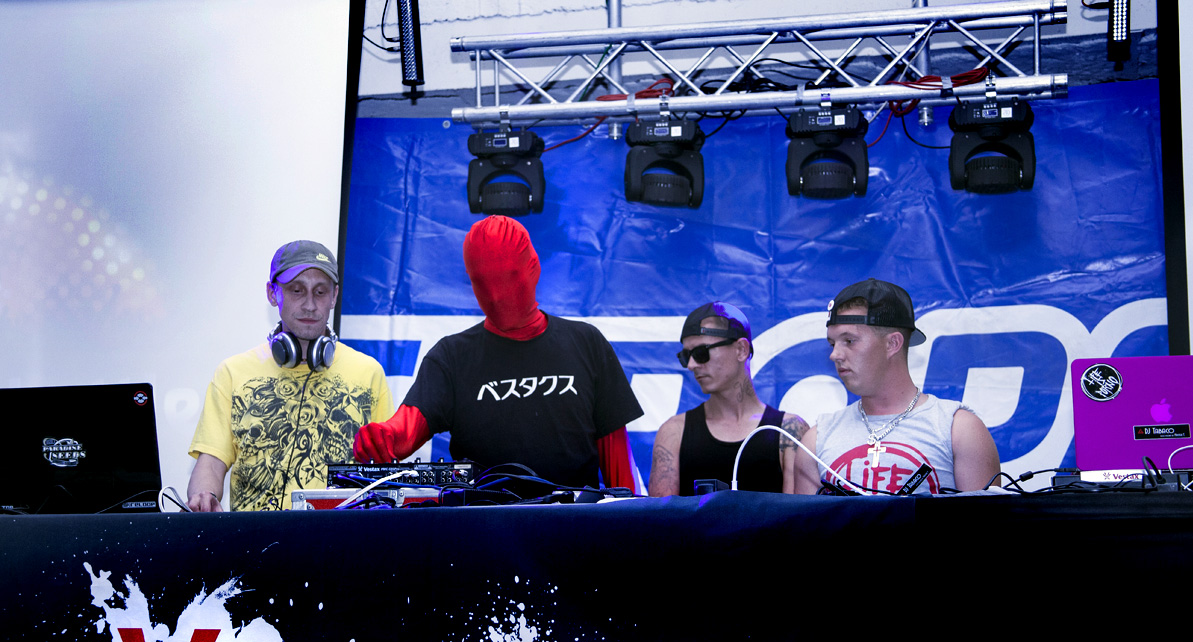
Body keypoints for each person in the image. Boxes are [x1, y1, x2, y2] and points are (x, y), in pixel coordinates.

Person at [354, 215, 643, 492]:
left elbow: (619, 467)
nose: (495, 295)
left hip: (572, 521)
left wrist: (634, 518)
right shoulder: (452, 357)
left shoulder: (586, 343)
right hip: (483, 522)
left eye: (507, 277)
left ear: (533, 267)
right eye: (482, 282)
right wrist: (383, 437)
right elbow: (407, 427)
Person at [187, 240, 393, 511]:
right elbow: (212, 462)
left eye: (320, 292)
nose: (310, 305)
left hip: (342, 536)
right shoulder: (232, 373)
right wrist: (204, 496)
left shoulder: (368, 373)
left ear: (334, 296)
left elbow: (387, 472)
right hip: (254, 537)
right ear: (272, 293)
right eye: (297, 290)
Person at [797, 278, 1001, 495]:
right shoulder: (816, 439)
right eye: (832, 343)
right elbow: (800, 518)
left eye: (849, 341)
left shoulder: (958, 429)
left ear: (892, 343)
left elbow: (986, 518)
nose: (834, 354)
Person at [649, 302, 810, 495]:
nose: (691, 365)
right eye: (685, 355)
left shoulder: (789, 430)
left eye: (701, 353)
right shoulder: (673, 432)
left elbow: (799, 513)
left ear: (741, 350)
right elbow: (661, 513)